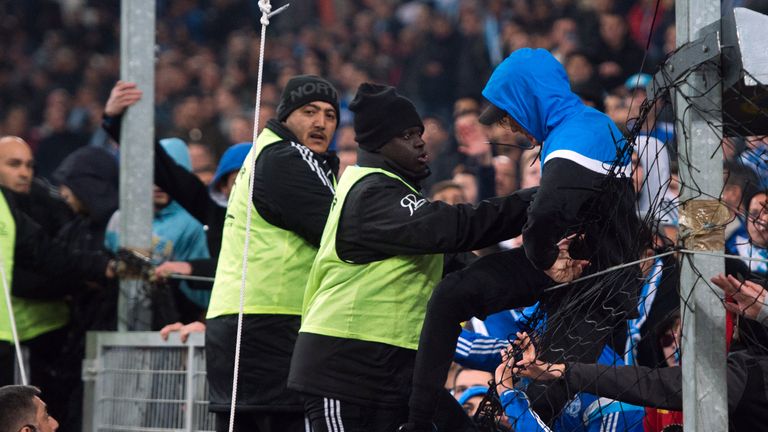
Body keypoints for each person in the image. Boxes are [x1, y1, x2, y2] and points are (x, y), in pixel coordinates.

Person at [288, 82, 546, 432]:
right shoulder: (371, 191)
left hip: (395, 370)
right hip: (344, 372)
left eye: (419, 133)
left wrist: (544, 271)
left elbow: (468, 268)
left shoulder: (396, 193)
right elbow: (458, 227)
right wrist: (542, 198)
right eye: (408, 135)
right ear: (380, 143)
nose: (420, 141)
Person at [406, 48, 641, 430]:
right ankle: (418, 422)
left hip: (593, 289)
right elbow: (539, 211)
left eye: (509, 113)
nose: (510, 127)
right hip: (564, 270)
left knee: (534, 404)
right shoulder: (570, 132)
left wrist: (545, 254)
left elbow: (544, 219)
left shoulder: (582, 131)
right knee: (452, 294)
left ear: (529, 98)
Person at [205, 75, 340, 432]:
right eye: (309, 111)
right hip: (267, 325)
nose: (320, 123)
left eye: (330, 115)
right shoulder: (285, 157)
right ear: (285, 116)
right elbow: (341, 233)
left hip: (242, 324)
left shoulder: (265, 154)